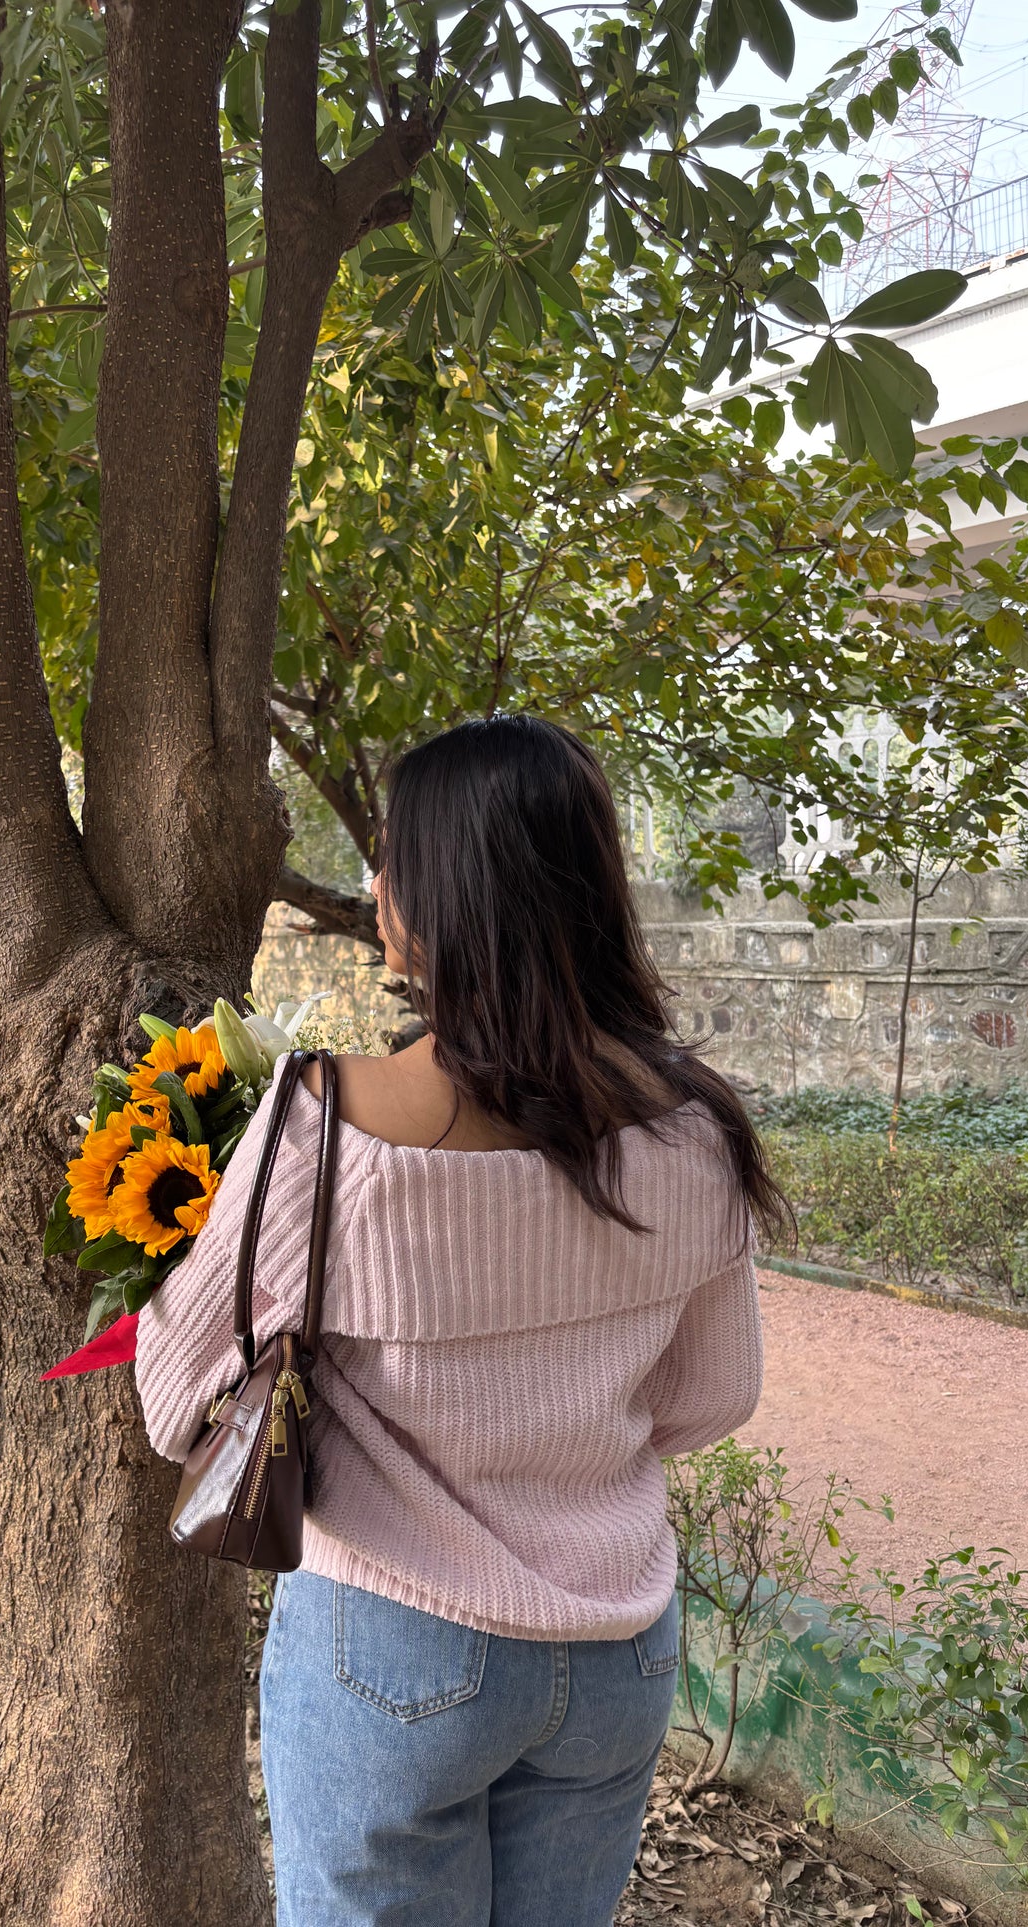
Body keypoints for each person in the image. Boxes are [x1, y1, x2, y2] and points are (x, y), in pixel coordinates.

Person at [134, 715, 787, 1927]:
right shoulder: (695, 1128)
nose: (375, 885)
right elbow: (711, 1396)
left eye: (388, 859)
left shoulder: (331, 1122)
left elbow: (173, 1394)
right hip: (615, 1647)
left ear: (428, 897)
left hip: (387, 1642)